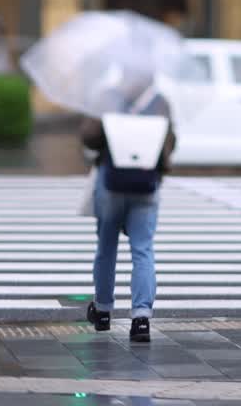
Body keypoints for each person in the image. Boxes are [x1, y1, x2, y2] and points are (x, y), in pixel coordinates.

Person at [79, 79, 176, 343]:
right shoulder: (159, 103)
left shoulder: (109, 98)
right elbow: (170, 143)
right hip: (145, 186)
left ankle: (102, 311)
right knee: (143, 250)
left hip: (111, 186)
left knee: (106, 248)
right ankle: (141, 319)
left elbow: (89, 138)